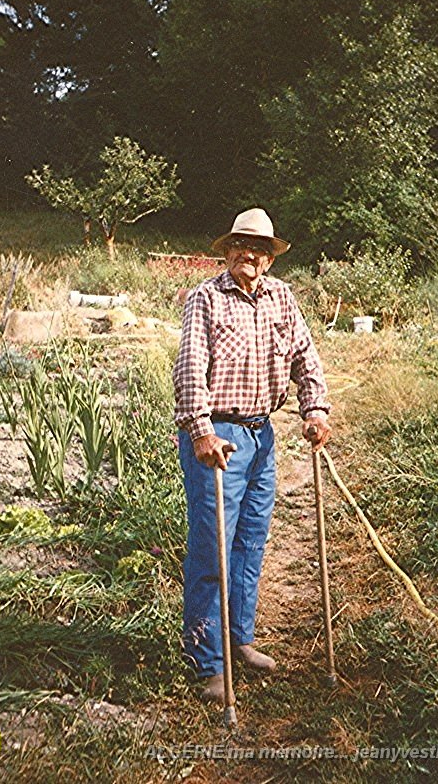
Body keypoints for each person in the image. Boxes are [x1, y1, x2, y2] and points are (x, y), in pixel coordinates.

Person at [173, 208, 331, 703]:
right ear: (227, 249)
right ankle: (207, 661)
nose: (250, 254)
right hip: (218, 434)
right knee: (213, 547)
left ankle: (239, 639)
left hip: (262, 435)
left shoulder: (282, 298)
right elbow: (189, 368)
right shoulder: (206, 298)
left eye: (260, 248)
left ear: (269, 258)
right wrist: (201, 432)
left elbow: (305, 357)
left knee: (250, 543)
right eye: (242, 244)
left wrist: (316, 410)